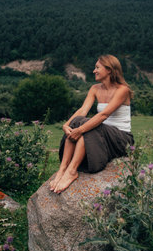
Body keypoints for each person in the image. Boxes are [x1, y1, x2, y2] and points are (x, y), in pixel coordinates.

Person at [49, 54, 134, 194]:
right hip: (100, 133)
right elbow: (83, 110)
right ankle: (63, 168)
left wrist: (81, 129)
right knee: (77, 122)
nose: (94, 71)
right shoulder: (95, 88)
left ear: (109, 70)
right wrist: (66, 125)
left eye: (97, 68)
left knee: (89, 126)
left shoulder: (122, 90)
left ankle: (72, 171)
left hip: (121, 138)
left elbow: (103, 115)